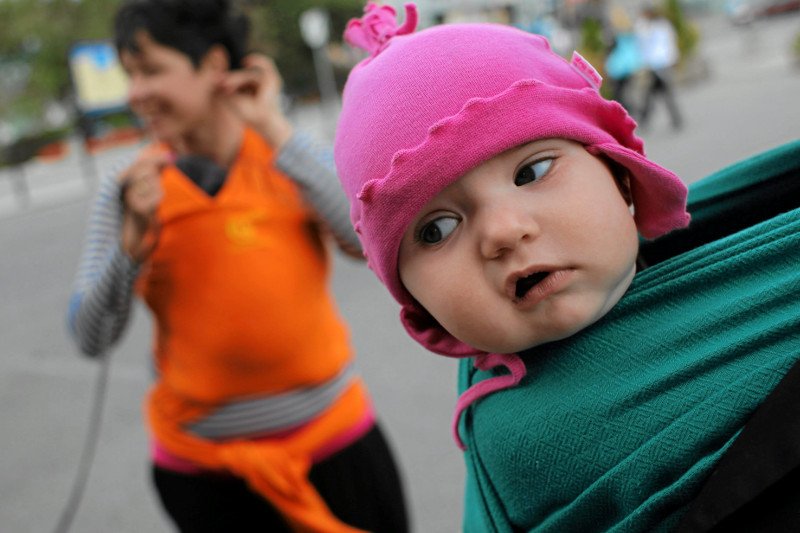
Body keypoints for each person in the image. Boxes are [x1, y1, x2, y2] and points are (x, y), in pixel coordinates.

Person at [334, 3, 800, 531]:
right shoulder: (526, 446)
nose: (504, 231)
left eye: (532, 171)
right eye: (436, 229)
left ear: (620, 174)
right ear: (419, 304)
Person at [66, 1, 408, 532]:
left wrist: (273, 125)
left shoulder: (285, 153)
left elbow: (363, 241)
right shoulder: (129, 186)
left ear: (213, 65)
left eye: (152, 71)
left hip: (336, 445)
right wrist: (130, 248)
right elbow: (91, 336)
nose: (135, 94)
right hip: (205, 476)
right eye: (129, 75)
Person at [635, 4, 684, 131]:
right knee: (648, 95)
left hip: (663, 64)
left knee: (665, 94)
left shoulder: (663, 25)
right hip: (651, 66)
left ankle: (675, 119)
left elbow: (670, 43)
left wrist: (673, 59)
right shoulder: (642, 26)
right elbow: (641, 45)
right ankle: (645, 120)